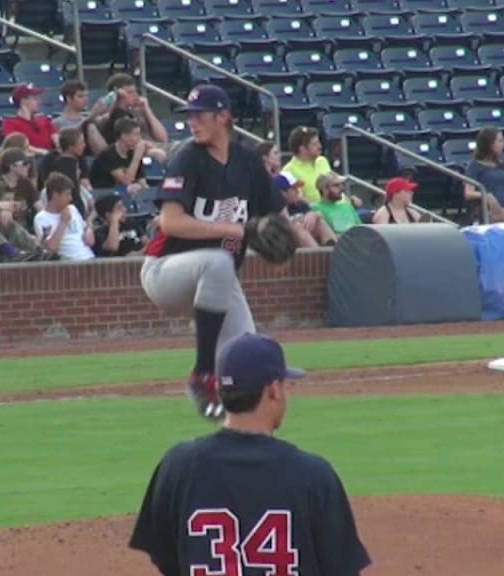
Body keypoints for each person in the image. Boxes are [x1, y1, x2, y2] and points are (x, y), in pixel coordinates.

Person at [130, 333, 372, 576]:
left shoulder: (178, 467)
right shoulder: (315, 476)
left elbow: (169, 561)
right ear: (274, 390)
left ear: (217, 390)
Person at [141, 84, 285, 421]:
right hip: (166, 271)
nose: (193, 122)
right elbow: (171, 222)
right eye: (189, 115)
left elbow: (275, 217)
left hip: (218, 280)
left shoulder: (248, 162)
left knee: (248, 358)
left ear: (223, 117)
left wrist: (279, 235)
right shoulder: (187, 159)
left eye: (200, 114)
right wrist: (238, 229)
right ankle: (202, 373)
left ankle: (236, 429)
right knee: (218, 263)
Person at [90, 73, 168, 159]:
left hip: (160, 146)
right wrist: (116, 98)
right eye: (130, 92)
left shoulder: (139, 111)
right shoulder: (115, 116)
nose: (135, 95)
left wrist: (147, 109)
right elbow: (134, 143)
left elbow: (163, 138)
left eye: (135, 91)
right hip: (144, 152)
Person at [34, 172, 95, 261]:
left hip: (89, 257)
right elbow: (51, 248)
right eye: (67, 194)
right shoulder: (41, 218)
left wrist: (89, 231)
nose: (70, 198)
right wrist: (63, 222)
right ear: (55, 195)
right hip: (68, 263)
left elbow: (86, 229)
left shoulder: (72, 209)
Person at [89, 117, 149, 192]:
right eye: (136, 134)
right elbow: (125, 182)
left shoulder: (132, 153)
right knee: (133, 188)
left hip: (124, 191)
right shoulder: (107, 154)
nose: (139, 138)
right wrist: (137, 157)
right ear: (123, 136)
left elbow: (141, 180)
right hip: (105, 193)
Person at [283, 126, 339, 205]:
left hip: (339, 208)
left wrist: (348, 200)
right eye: (315, 144)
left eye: (319, 143)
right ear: (302, 149)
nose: (320, 146)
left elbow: (335, 186)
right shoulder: (289, 171)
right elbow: (298, 199)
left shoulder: (323, 161)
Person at [2, 84, 58, 154]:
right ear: (23, 101)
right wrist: (45, 153)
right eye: (35, 98)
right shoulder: (10, 123)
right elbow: (18, 146)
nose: (39, 102)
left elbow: (57, 141)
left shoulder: (45, 120)